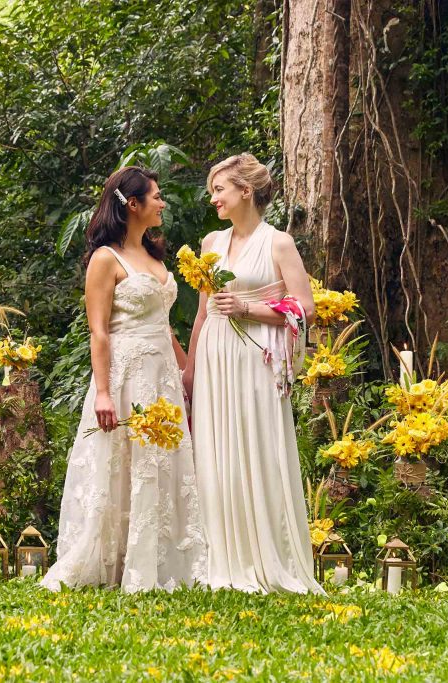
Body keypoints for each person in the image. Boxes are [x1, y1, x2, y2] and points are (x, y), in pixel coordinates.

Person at [42, 166, 206, 592]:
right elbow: (98, 331)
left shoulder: (155, 256)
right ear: (132, 205)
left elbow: (164, 325)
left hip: (162, 374)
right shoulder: (104, 259)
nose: (162, 203)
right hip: (124, 374)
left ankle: (161, 559)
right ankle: (112, 561)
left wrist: (186, 371)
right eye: (156, 196)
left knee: (160, 463)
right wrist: (102, 392)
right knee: (119, 465)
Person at [183, 153, 322, 593]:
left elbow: (307, 309)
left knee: (257, 446)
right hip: (215, 355)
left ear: (246, 191)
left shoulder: (279, 243)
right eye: (212, 192)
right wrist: (189, 369)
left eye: (220, 190)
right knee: (216, 450)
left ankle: (267, 556)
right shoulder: (210, 243)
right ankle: (222, 557)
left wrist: (249, 308)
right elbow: (203, 313)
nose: (214, 200)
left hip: (257, 359)